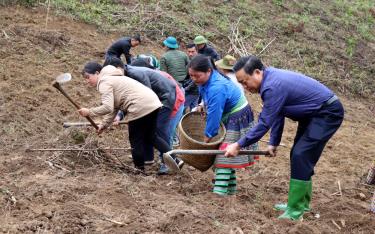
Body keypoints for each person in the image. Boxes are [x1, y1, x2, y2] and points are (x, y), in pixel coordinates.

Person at [225, 56, 344, 220]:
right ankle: (301, 204)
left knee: (301, 154)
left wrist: (238, 145)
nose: (245, 87)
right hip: (312, 114)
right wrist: (273, 142)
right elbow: (278, 113)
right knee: (298, 154)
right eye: (241, 84)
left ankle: (295, 211)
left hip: (326, 113)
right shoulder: (270, 81)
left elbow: (264, 123)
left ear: (257, 72)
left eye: (245, 82)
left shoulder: (272, 86)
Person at [188, 54, 258, 196]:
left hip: (238, 117)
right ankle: (230, 191)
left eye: (197, 76)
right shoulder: (205, 81)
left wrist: (208, 137)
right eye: (191, 75)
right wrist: (202, 104)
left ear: (208, 71)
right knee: (226, 154)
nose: (194, 79)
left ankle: (218, 194)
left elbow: (214, 115)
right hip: (229, 114)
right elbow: (207, 98)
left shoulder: (217, 87)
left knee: (223, 155)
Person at [77, 62, 163, 172]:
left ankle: (139, 170)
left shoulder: (104, 81)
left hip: (138, 106)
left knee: (135, 139)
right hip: (152, 102)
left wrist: (89, 112)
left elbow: (107, 107)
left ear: (97, 73)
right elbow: (113, 107)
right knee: (151, 136)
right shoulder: (113, 78)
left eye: (88, 77)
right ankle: (175, 158)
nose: (87, 81)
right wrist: (104, 125)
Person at [104, 57, 184, 174]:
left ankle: (168, 162)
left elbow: (145, 96)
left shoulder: (134, 74)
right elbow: (129, 99)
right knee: (150, 134)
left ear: (118, 68)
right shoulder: (126, 75)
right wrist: (120, 115)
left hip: (165, 97)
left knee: (158, 131)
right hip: (157, 99)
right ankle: (150, 159)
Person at [131, 58, 185, 149]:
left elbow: (174, 96)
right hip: (163, 104)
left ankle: (169, 160)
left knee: (164, 132)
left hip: (176, 103)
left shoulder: (159, 76)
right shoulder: (148, 77)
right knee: (155, 131)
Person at [182, 43, 200, 113]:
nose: (190, 54)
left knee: (181, 108)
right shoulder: (192, 61)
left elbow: (196, 79)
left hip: (194, 90)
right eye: (189, 52)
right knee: (194, 110)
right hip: (195, 90)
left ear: (197, 51)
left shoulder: (198, 62)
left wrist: (186, 89)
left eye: (193, 52)